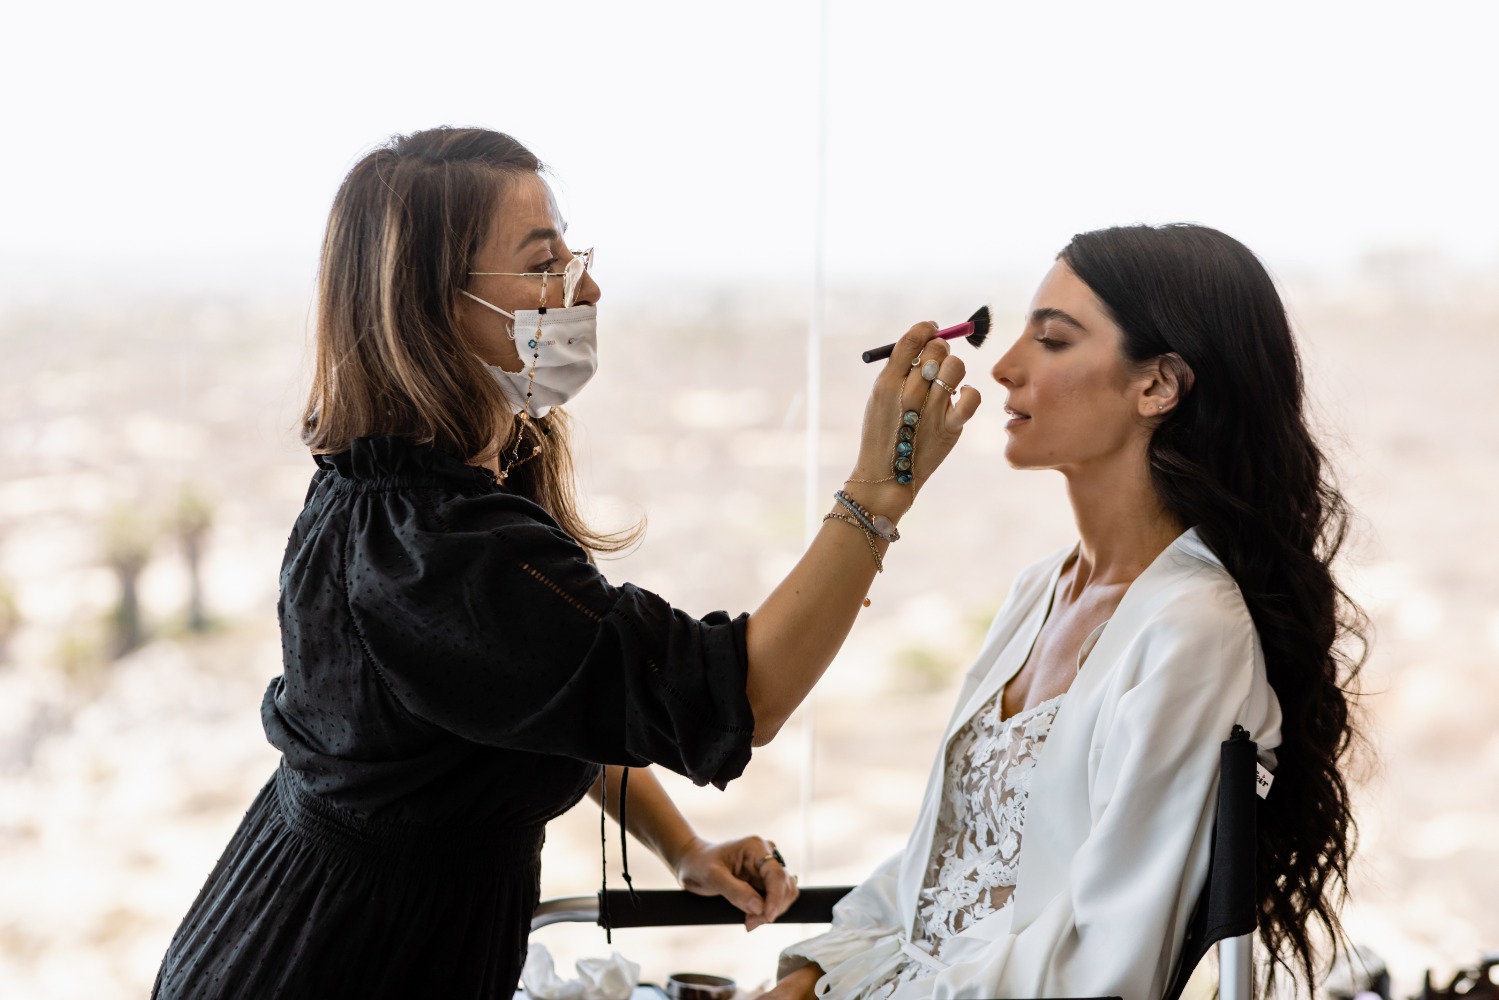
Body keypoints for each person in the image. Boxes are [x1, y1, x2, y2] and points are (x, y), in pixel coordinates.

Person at [150, 127, 981, 1000]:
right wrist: (876, 492)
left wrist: (683, 849)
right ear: (435, 306)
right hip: (332, 962)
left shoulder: (388, 489)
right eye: (545, 266)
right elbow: (738, 694)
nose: (585, 289)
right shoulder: (444, 555)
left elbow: (546, 696)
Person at [762, 224, 1365, 1000]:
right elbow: (935, 867)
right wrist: (809, 975)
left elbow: (1101, 963)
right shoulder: (1038, 590)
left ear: (1157, 386)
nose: (1005, 366)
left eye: (1049, 340)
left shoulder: (1192, 634)